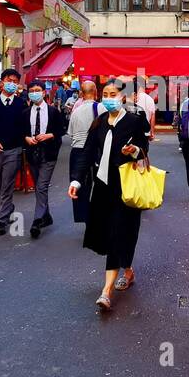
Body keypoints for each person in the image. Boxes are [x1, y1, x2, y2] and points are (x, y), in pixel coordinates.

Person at [68, 80, 151, 311]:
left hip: (125, 187)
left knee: (120, 232)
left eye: (113, 94)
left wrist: (133, 150)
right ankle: (128, 270)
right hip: (102, 186)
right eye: (105, 94)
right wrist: (76, 179)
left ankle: (106, 291)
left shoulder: (134, 122)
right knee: (109, 231)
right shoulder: (100, 122)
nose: (108, 97)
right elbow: (86, 152)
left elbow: (144, 149)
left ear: (122, 97)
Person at [0, 67, 30, 235]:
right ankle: (8, 206)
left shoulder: (21, 103)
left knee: (7, 184)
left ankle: (1, 220)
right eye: (9, 81)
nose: (12, 85)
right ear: (2, 83)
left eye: (15, 82)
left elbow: (25, 126)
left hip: (14, 150)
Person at [24, 79, 67, 238]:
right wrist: (27, 138)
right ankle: (46, 215)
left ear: (44, 92)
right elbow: (22, 132)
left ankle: (37, 220)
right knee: (38, 186)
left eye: (37, 90)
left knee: (41, 186)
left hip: (49, 154)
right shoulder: (25, 113)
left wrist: (49, 135)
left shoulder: (53, 112)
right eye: (32, 91)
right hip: (32, 153)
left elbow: (61, 130)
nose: (35, 93)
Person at [65, 79, 101, 223]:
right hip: (97, 151)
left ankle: (85, 217)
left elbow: (71, 134)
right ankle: (99, 216)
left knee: (80, 185)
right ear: (96, 93)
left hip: (78, 151)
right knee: (100, 185)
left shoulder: (76, 111)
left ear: (81, 93)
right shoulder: (102, 108)